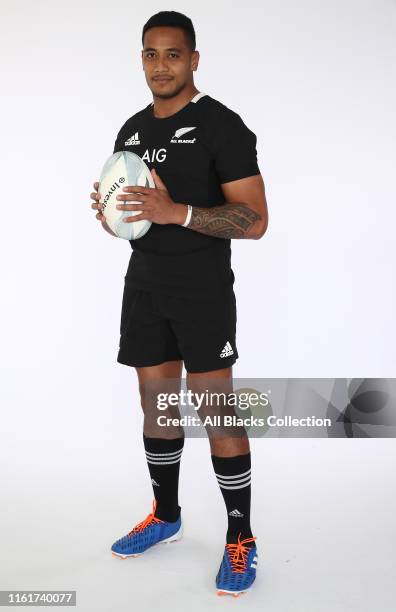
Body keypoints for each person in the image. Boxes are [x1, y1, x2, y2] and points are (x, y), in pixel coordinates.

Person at [90, 10, 268, 597]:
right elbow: (138, 220)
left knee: (216, 408)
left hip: (202, 289)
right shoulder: (132, 131)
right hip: (145, 285)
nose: (160, 65)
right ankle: (166, 515)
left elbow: (255, 220)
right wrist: (117, 219)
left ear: (194, 59)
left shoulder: (223, 126)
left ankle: (240, 536)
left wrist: (179, 212)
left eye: (172, 54)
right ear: (141, 59)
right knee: (157, 405)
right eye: (150, 53)